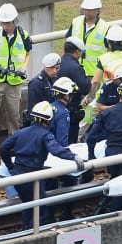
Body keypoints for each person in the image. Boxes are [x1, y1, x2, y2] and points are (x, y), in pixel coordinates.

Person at [0, 100, 84, 229]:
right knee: (39, 207)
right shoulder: (45, 135)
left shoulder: (21, 132)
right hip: (33, 176)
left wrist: (10, 166)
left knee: (27, 205)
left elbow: (4, 148)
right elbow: (56, 150)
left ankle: (25, 230)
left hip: (17, 174)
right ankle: (32, 234)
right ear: (49, 119)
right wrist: (74, 156)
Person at [0, 3, 32, 168]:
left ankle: (14, 146)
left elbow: (28, 53)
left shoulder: (23, 35)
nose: (6, 26)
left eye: (8, 23)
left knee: (13, 116)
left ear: (15, 21)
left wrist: (23, 68)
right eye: (4, 23)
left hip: (14, 82)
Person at [85, 78, 122, 211]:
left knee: (115, 179)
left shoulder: (107, 113)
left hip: (110, 153)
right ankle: (118, 211)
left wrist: (91, 155)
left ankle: (109, 206)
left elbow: (91, 137)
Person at [49, 76, 80, 220]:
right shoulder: (63, 113)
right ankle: (66, 214)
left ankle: (48, 216)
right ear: (66, 94)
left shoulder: (49, 107)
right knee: (71, 180)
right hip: (55, 154)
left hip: (45, 152)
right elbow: (62, 140)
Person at [85, 24, 122, 104]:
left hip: (106, 97)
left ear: (108, 42)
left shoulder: (104, 58)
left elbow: (95, 81)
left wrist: (87, 96)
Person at [65, 0, 109, 77]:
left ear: (98, 10)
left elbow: (109, 51)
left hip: (94, 73)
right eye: (85, 9)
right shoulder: (76, 22)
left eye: (90, 9)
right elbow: (66, 44)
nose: (87, 11)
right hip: (75, 70)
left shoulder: (104, 27)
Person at [57, 36, 90, 143]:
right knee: (70, 141)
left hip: (56, 108)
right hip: (71, 110)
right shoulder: (76, 67)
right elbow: (85, 88)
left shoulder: (58, 64)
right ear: (77, 51)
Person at [25, 52, 61, 125]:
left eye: (57, 68)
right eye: (51, 68)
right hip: (42, 123)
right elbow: (33, 109)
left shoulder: (56, 80)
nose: (54, 71)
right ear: (45, 67)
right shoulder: (36, 83)